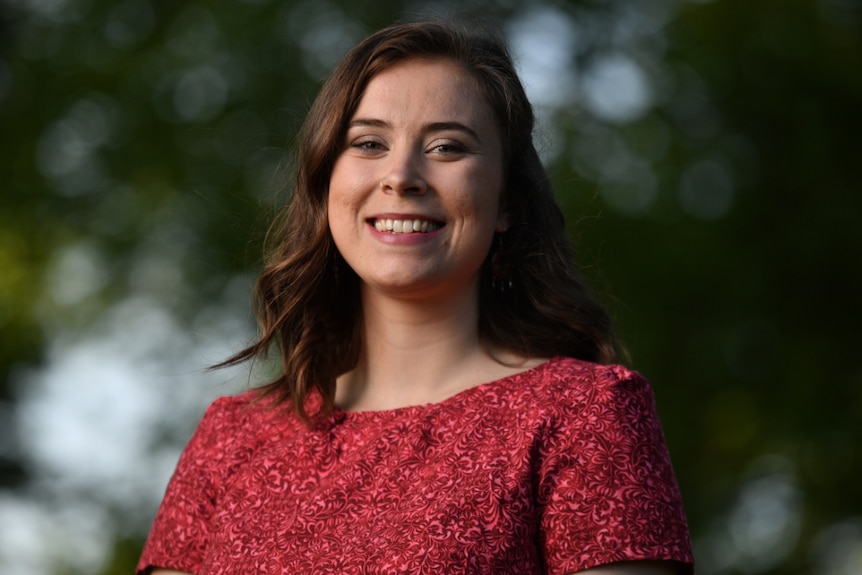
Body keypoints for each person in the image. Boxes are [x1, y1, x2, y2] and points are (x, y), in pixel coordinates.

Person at [138, 20, 694, 575]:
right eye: (369, 143)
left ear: (506, 202)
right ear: (327, 183)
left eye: (448, 147)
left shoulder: (583, 414)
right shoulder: (231, 439)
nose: (401, 176)